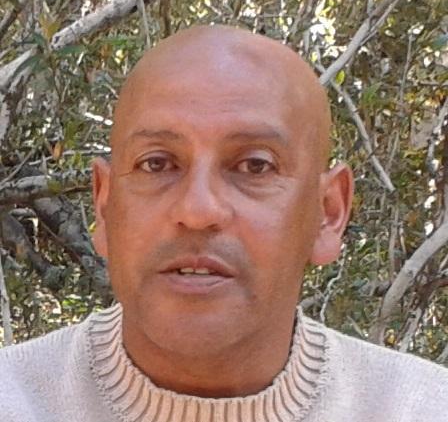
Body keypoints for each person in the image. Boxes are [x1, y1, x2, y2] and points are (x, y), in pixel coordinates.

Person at [1, 25, 447, 422]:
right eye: (157, 163)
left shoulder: (421, 407)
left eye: (255, 166)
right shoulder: (17, 400)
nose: (198, 211)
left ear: (328, 214)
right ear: (104, 205)